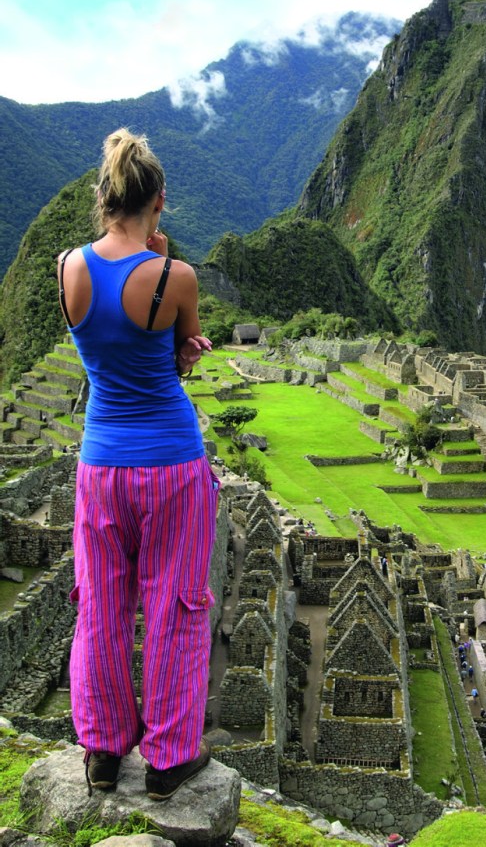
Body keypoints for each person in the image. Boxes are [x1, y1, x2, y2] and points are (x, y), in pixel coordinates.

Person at [59, 129, 218, 799]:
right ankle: (168, 757)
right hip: (171, 464)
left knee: (100, 605)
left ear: (103, 197)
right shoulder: (175, 277)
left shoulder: (68, 266)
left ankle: (100, 749)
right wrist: (183, 352)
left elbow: (110, 351)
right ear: (160, 201)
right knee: (175, 606)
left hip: (101, 465)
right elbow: (180, 354)